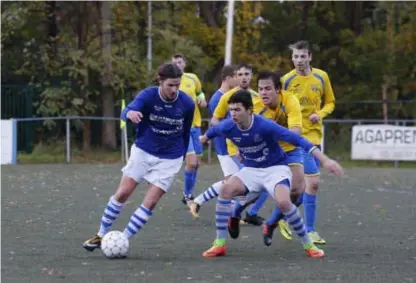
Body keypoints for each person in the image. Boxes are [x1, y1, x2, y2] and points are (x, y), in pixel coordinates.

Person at [199, 90, 343, 259]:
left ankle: (308, 244)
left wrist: (325, 160)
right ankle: (219, 244)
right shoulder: (228, 125)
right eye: (231, 110)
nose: (233, 114)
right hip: (251, 170)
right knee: (225, 190)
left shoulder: (265, 125)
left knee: (284, 202)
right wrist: (197, 143)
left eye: (237, 110)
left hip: (276, 169)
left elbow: (299, 140)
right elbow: (208, 135)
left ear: (250, 110)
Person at [83, 63, 195, 251]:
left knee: (150, 202)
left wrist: (181, 156)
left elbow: (186, 132)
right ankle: (101, 234)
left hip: (170, 158)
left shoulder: (187, 104)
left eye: (178, 85)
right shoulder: (148, 95)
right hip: (143, 151)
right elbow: (125, 112)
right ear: (160, 81)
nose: (175, 90)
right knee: (123, 193)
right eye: (170, 85)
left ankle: (122, 240)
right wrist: (130, 113)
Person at [189, 64, 269, 225]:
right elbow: (215, 120)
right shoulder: (227, 96)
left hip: (254, 148)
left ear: (251, 76)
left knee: (242, 183)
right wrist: (229, 133)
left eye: (247, 73)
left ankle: (202, 202)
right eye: (240, 74)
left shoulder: (256, 96)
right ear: (235, 76)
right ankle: (237, 214)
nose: (244, 77)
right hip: (232, 148)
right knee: (247, 183)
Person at [280, 40, 336, 244]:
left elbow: (330, 102)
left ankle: (283, 216)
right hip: (295, 137)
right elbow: (278, 108)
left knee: (304, 186)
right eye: (295, 57)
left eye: (302, 56)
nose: (298, 61)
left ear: (310, 57)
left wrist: (319, 114)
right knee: (313, 183)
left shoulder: (321, 77)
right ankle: (310, 230)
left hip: (314, 136)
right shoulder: (286, 80)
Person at [187, 65, 240, 218]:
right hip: (224, 146)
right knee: (233, 181)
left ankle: (200, 202)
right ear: (227, 78)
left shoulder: (231, 95)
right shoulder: (218, 98)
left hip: (233, 145)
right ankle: (229, 212)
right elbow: (219, 124)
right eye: (236, 75)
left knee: (233, 180)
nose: (238, 79)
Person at [172, 54, 207, 204]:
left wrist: (202, 98)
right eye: (174, 63)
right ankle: (187, 195)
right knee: (191, 163)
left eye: (179, 62)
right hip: (182, 128)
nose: (177, 65)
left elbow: (199, 92)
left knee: (196, 164)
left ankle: (188, 193)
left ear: (184, 64)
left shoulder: (192, 78)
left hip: (196, 125)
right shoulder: (171, 82)